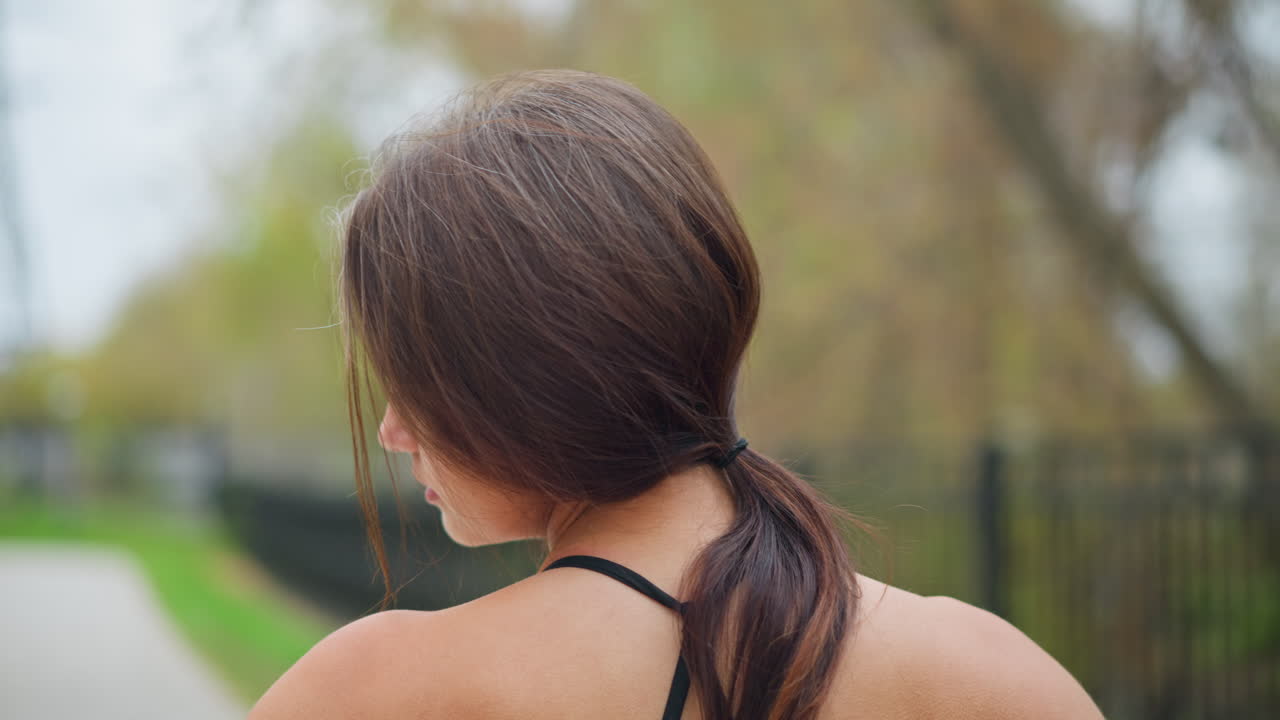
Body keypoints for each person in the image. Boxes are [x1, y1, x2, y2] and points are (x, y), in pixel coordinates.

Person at [248, 69, 1103, 720]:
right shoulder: (986, 671)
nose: (393, 430)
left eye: (414, 382)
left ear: (516, 383)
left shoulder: (385, 689)